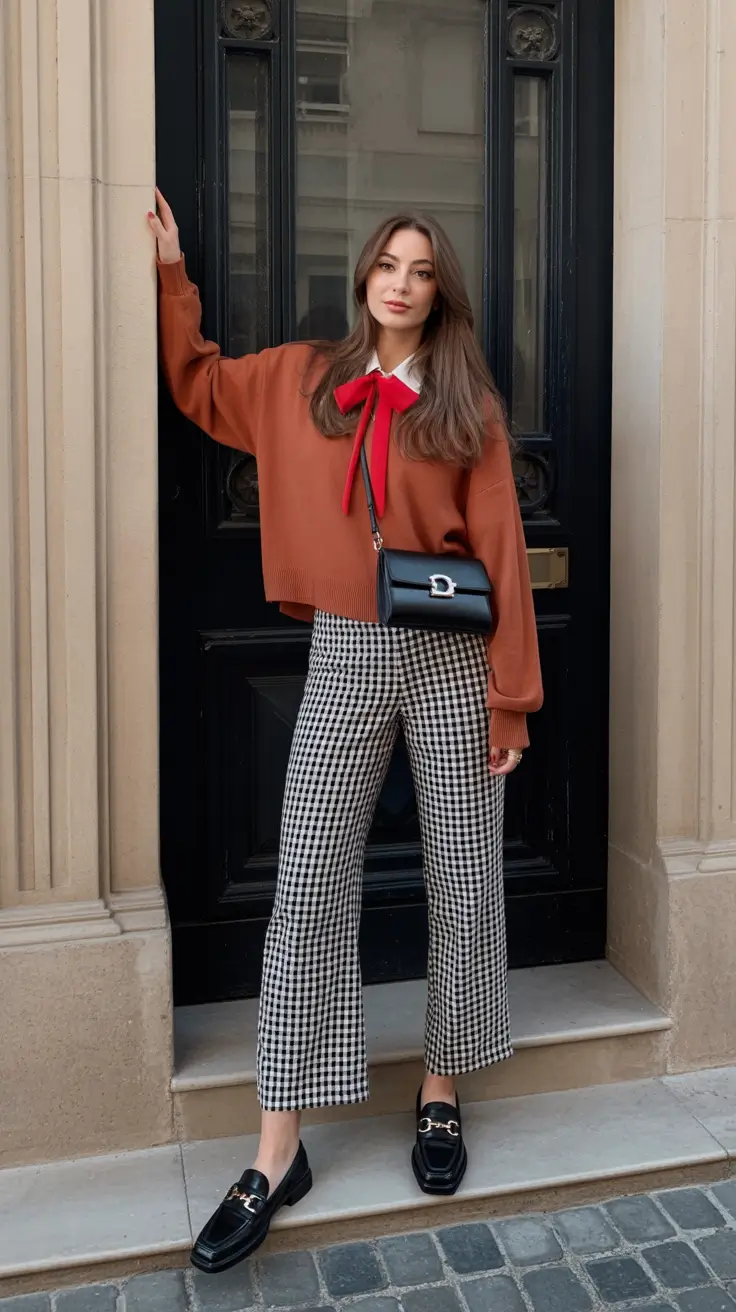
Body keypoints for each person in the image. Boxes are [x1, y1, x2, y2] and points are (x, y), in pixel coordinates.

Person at [148, 190, 543, 1272]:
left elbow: (503, 548)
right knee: (309, 881)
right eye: (387, 263)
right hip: (347, 648)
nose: (401, 282)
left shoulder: (465, 400)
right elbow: (197, 383)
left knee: (464, 873)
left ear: (438, 291)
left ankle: (440, 1086)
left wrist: (511, 694)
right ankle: (278, 1150)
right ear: (362, 274)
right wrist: (172, 275)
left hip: (455, 654)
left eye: (421, 269)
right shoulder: (298, 379)